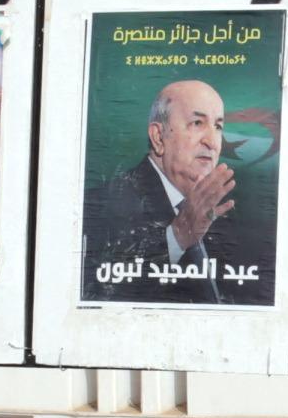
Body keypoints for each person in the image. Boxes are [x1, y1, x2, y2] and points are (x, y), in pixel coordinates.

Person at [81, 78, 276, 306]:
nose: (213, 142)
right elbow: (98, 299)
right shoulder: (98, 207)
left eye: (218, 126)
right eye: (197, 123)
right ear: (158, 137)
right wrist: (176, 237)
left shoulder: (226, 216)